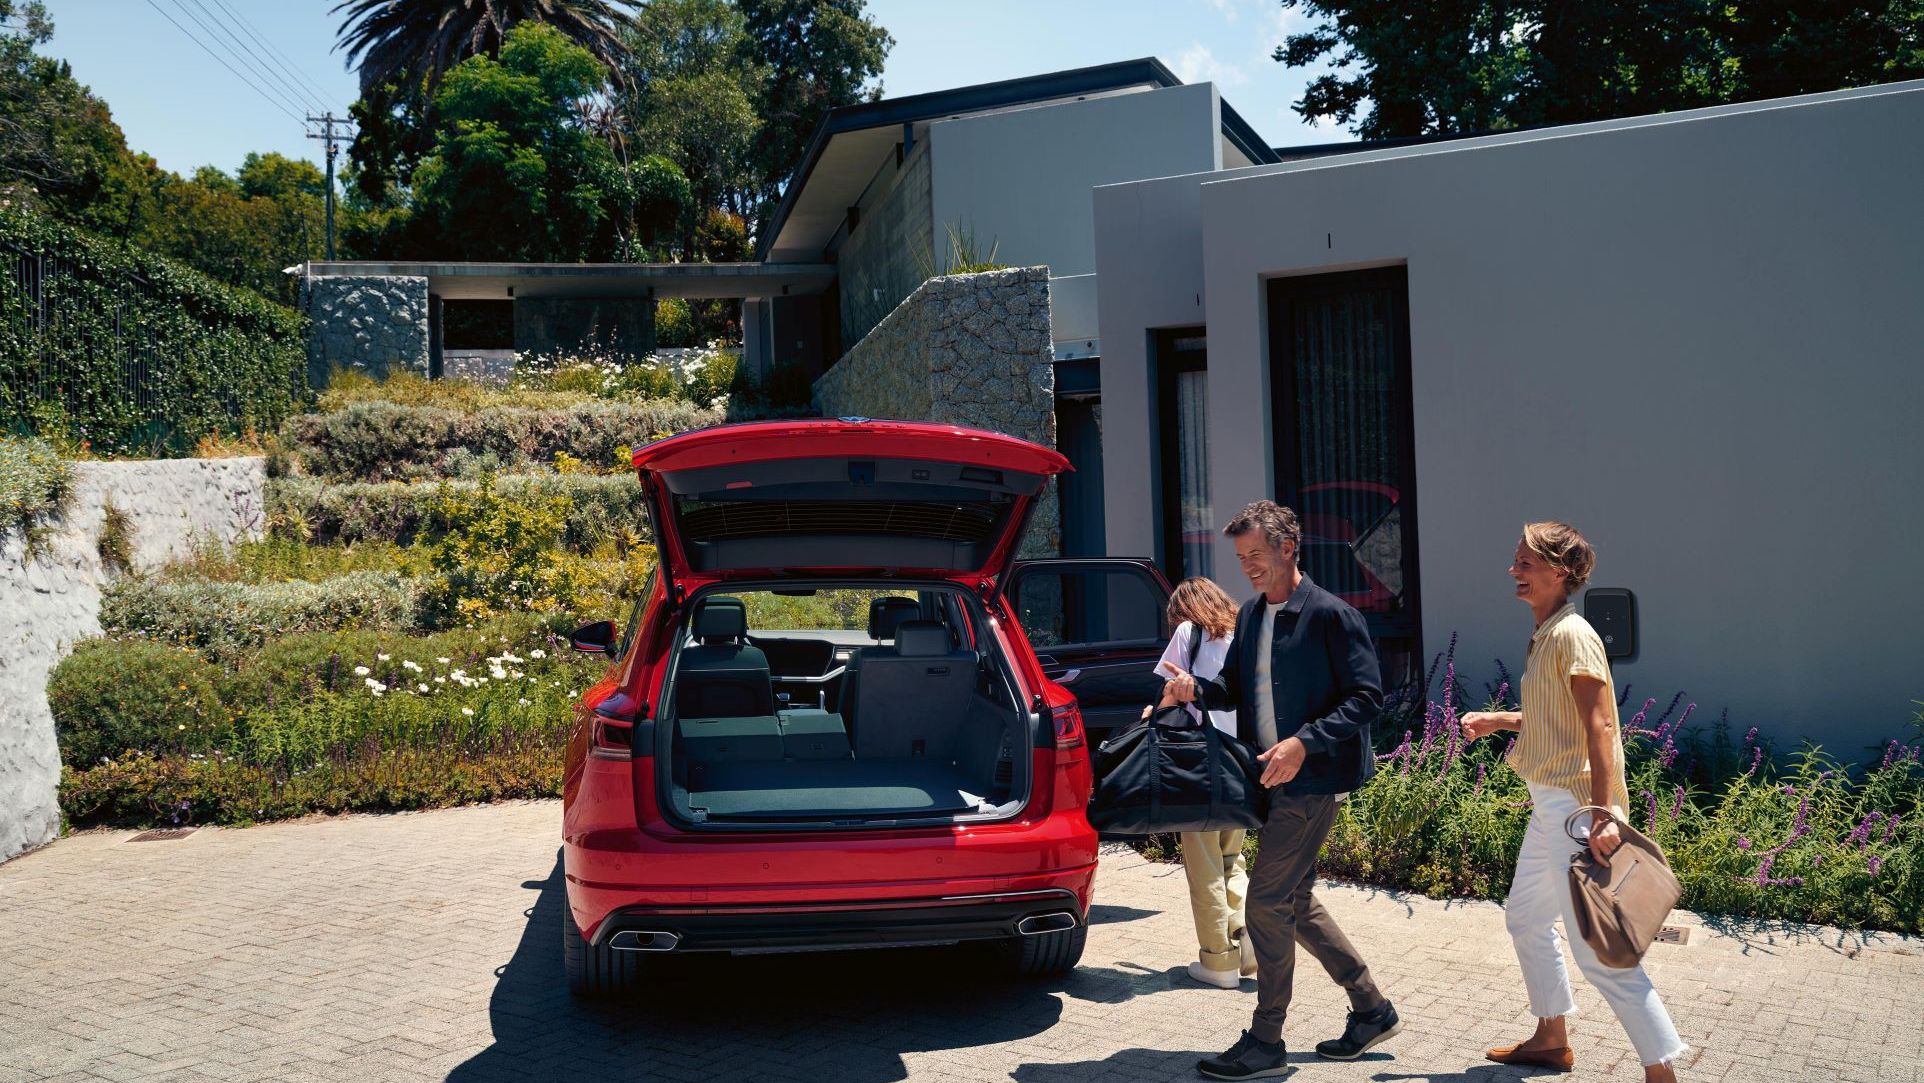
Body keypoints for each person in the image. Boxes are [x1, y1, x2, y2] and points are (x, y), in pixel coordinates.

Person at [1165, 500, 1400, 1079]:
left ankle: (1267, 1041)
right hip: (1266, 777)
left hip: (1314, 779)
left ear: (1288, 548)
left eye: (1256, 555)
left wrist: (1305, 742)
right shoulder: (1249, 616)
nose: (1247, 567)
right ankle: (1371, 1009)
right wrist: (1195, 689)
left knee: (1265, 902)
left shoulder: (1331, 615)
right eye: (1241, 558)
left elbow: (1369, 695)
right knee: (1293, 898)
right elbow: (1236, 690)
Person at [1457, 522, 1686, 1081]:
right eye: (1516, 561)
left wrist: (1605, 815)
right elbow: (1555, 721)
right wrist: (1500, 721)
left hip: (1574, 811)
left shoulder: (1572, 635)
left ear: (1559, 572)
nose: (1515, 570)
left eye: (1525, 563)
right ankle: (1552, 1037)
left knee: (1598, 948)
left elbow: (1601, 726)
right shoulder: (1550, 632)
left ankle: (1662, 1071)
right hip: (1551, 807)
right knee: (1526, 918)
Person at [1145, 577, 1253, 990]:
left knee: (1204, 863)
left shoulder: (1189, 634)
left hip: (1197, 765)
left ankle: (1219, 962)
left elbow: (1172, 693)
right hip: (1241, 760)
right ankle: (1248, 933)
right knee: (1232, 858)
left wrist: (1152, 713)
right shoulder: (1244, 631)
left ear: (1183, 610)